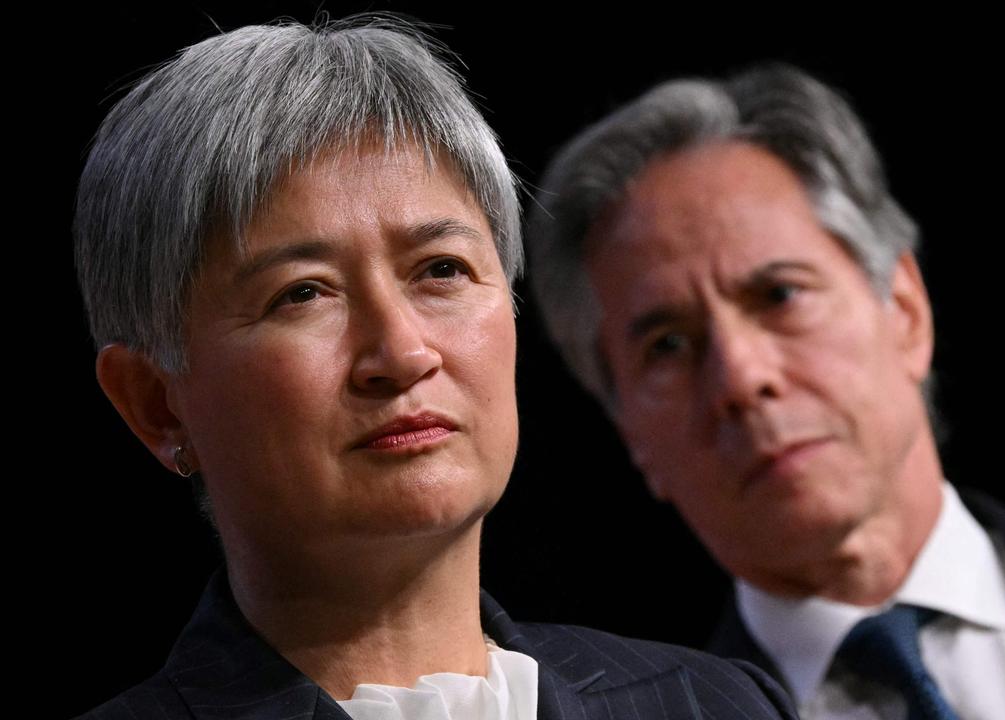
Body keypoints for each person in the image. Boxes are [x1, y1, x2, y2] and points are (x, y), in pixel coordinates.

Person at [72, 17, 797, 720]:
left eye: (441, 270)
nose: (403, 353)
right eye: (302, 294)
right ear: (157, 404)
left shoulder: (719, 703)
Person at [525, 65, 1005, 720]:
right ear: (627, 429)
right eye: (668, 346)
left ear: (906, 311)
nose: (742, 377)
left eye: (780, 295)